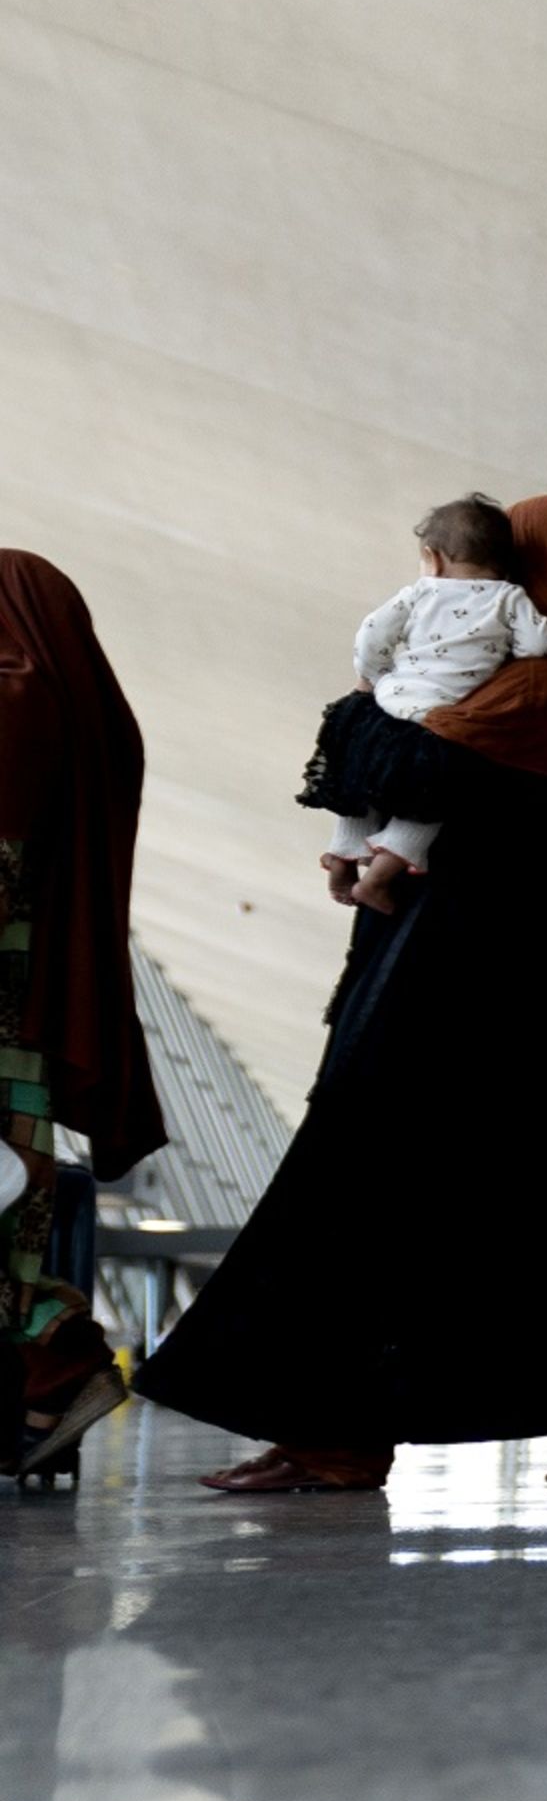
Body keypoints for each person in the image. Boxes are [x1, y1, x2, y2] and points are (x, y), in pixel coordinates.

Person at [137, 497, 547, 1489]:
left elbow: (405, 761)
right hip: (465, 984)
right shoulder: (532, 684)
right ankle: (369, 1429)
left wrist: (364, 705)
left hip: (466, 988)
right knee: (495, 1196)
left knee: (407, 1186)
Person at [0, 553, 167, 1483]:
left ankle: (52, 1369)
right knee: (15, 1210)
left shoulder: (11, 711)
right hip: (27, 1016)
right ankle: (41, 1388)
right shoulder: (81, 712)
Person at [300, 493, 547, 912]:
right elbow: (539, 645)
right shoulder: (508, 598)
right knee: (427, 801)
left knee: (359, 779)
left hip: (383, 711)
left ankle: (343, 859)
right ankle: (381, 878)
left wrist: (376, 673)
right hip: (437, 726)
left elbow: (372, 633)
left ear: (432, 557)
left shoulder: (420, 591)